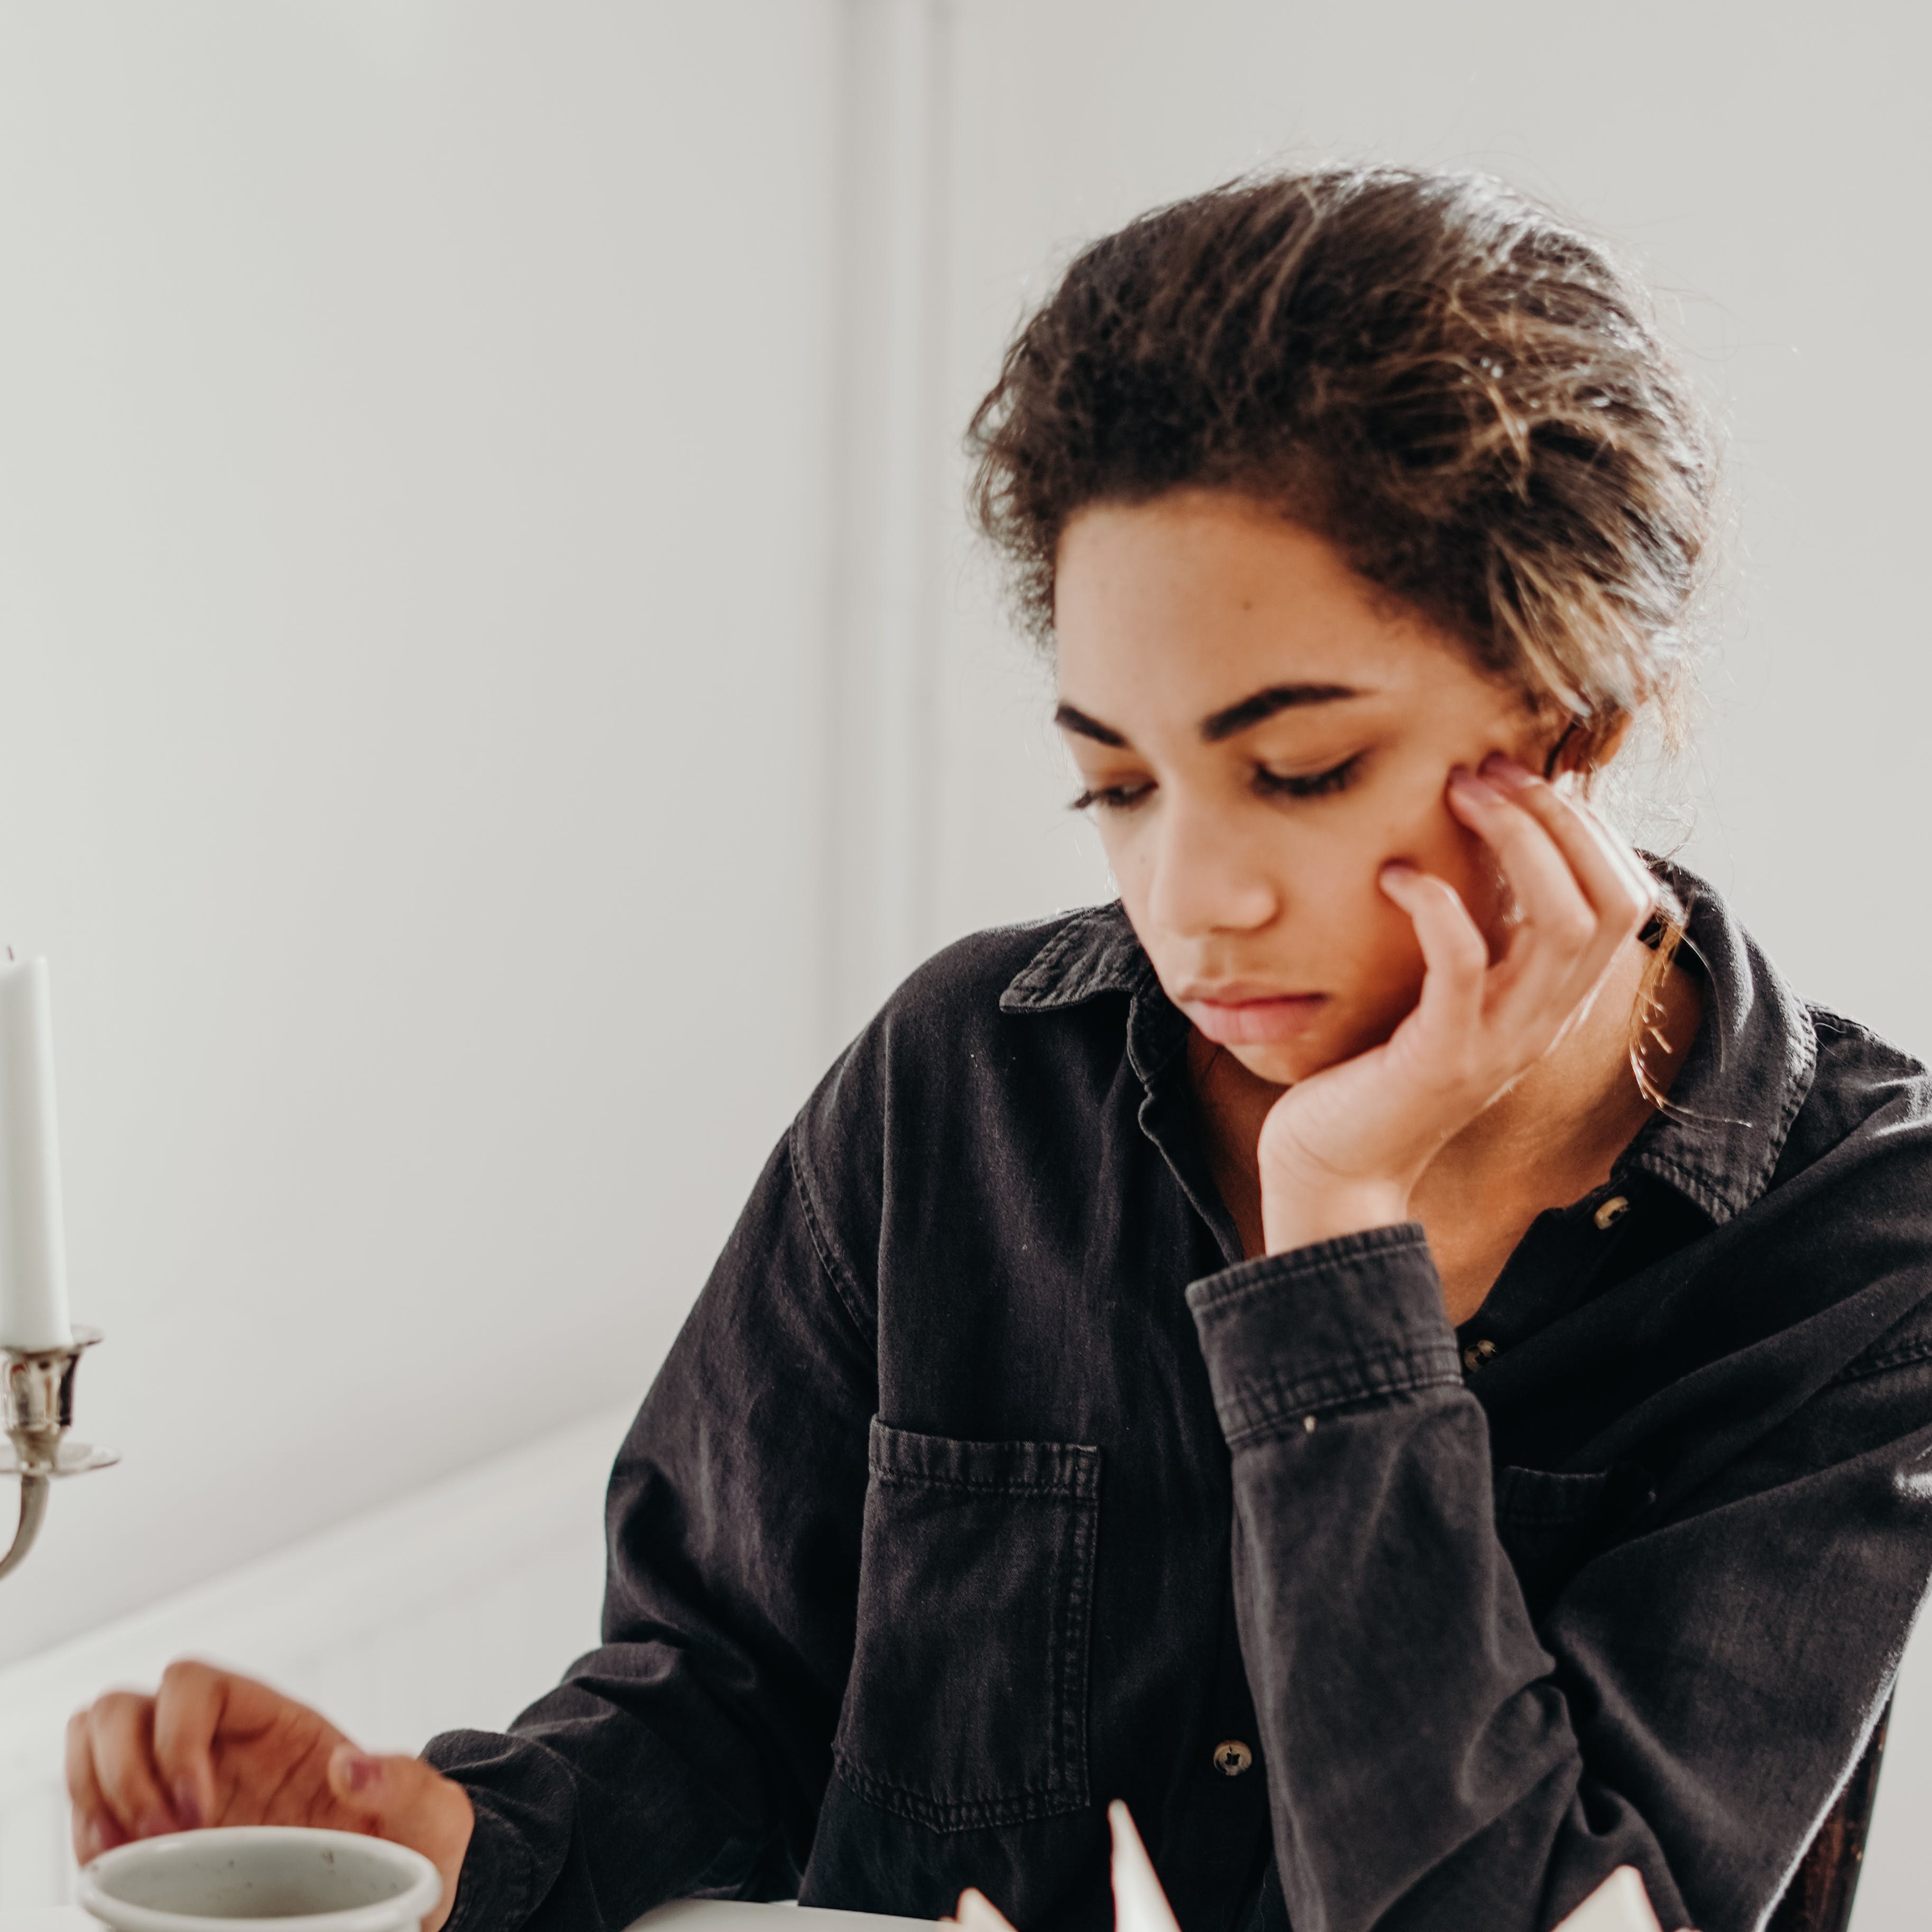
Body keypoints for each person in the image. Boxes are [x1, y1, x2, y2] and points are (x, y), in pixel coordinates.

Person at [65, 167, 1932, 1932]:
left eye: (1297, 770)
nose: (1192, 899)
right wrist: (462, 1843)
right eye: (1117, 783)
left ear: (1580, 716)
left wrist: (1335, 1242)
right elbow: (721, 1694)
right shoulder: (962, 1085)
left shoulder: (1859, 1247)